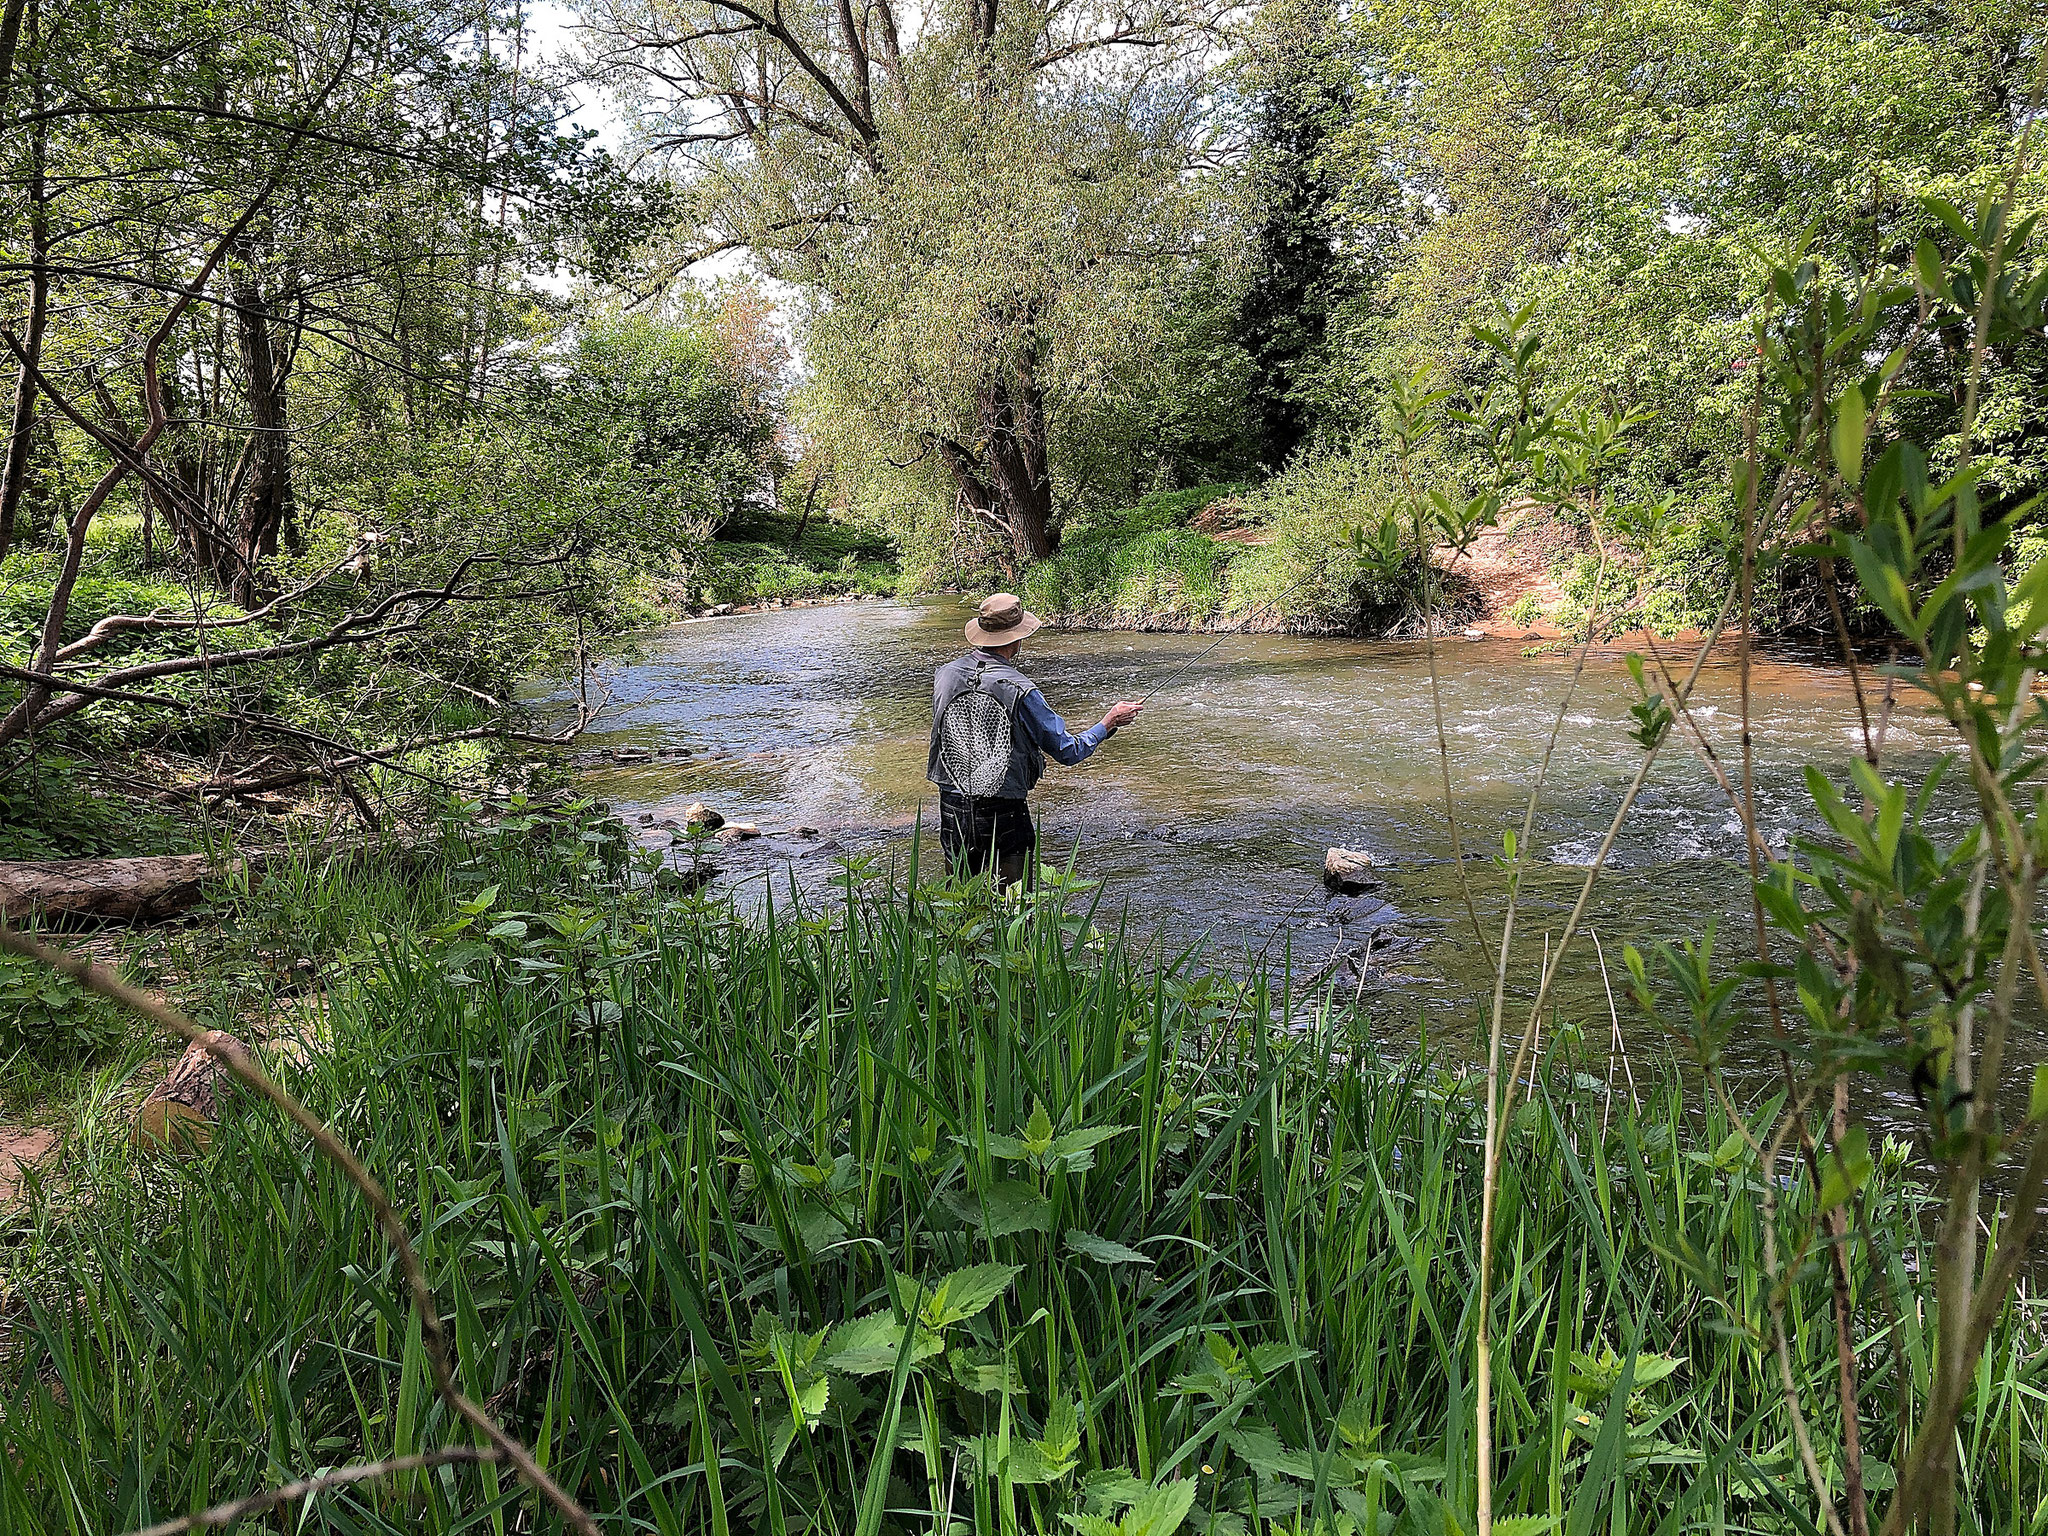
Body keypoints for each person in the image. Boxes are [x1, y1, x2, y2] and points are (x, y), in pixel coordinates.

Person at [928, 592, 1143, 889]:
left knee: (959, 904)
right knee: (1016, 910)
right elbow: (1068, 751)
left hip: (952, 808)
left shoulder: (945, 675)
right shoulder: (1021, 689)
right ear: (1016, 640)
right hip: (1003, 813)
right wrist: (1108, 723)